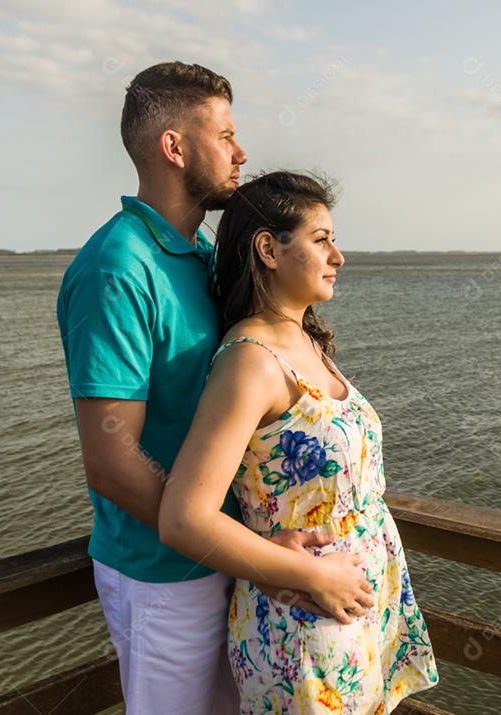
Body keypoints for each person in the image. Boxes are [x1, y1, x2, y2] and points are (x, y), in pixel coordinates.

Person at [56, 62, 368, 715]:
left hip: (233, 561)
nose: (241, 151)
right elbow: (112, 461)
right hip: (161, 576)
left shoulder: (199, 256)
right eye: (225, 134)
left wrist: (249, 547)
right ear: (174, 148)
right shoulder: (117, 267)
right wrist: (239, 537)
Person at [159, 171, 439, 713]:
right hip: (303, 624)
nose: (338, 256)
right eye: (321, 239)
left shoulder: (306, 339)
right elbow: (183, 518)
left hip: (355, 608)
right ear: (268, 248)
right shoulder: (250, 363)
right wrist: (313, 575)